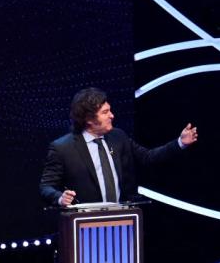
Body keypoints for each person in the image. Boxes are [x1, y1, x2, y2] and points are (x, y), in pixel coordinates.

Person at [39, 88, 198, 208]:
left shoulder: (118, 137)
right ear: (88, 119)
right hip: (84, 225)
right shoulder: (63, 148)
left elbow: (148, 157)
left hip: (121, 218)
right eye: (105, 112)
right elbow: (46, 186)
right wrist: (60, 198)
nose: (112, 115)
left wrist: (180, 143)